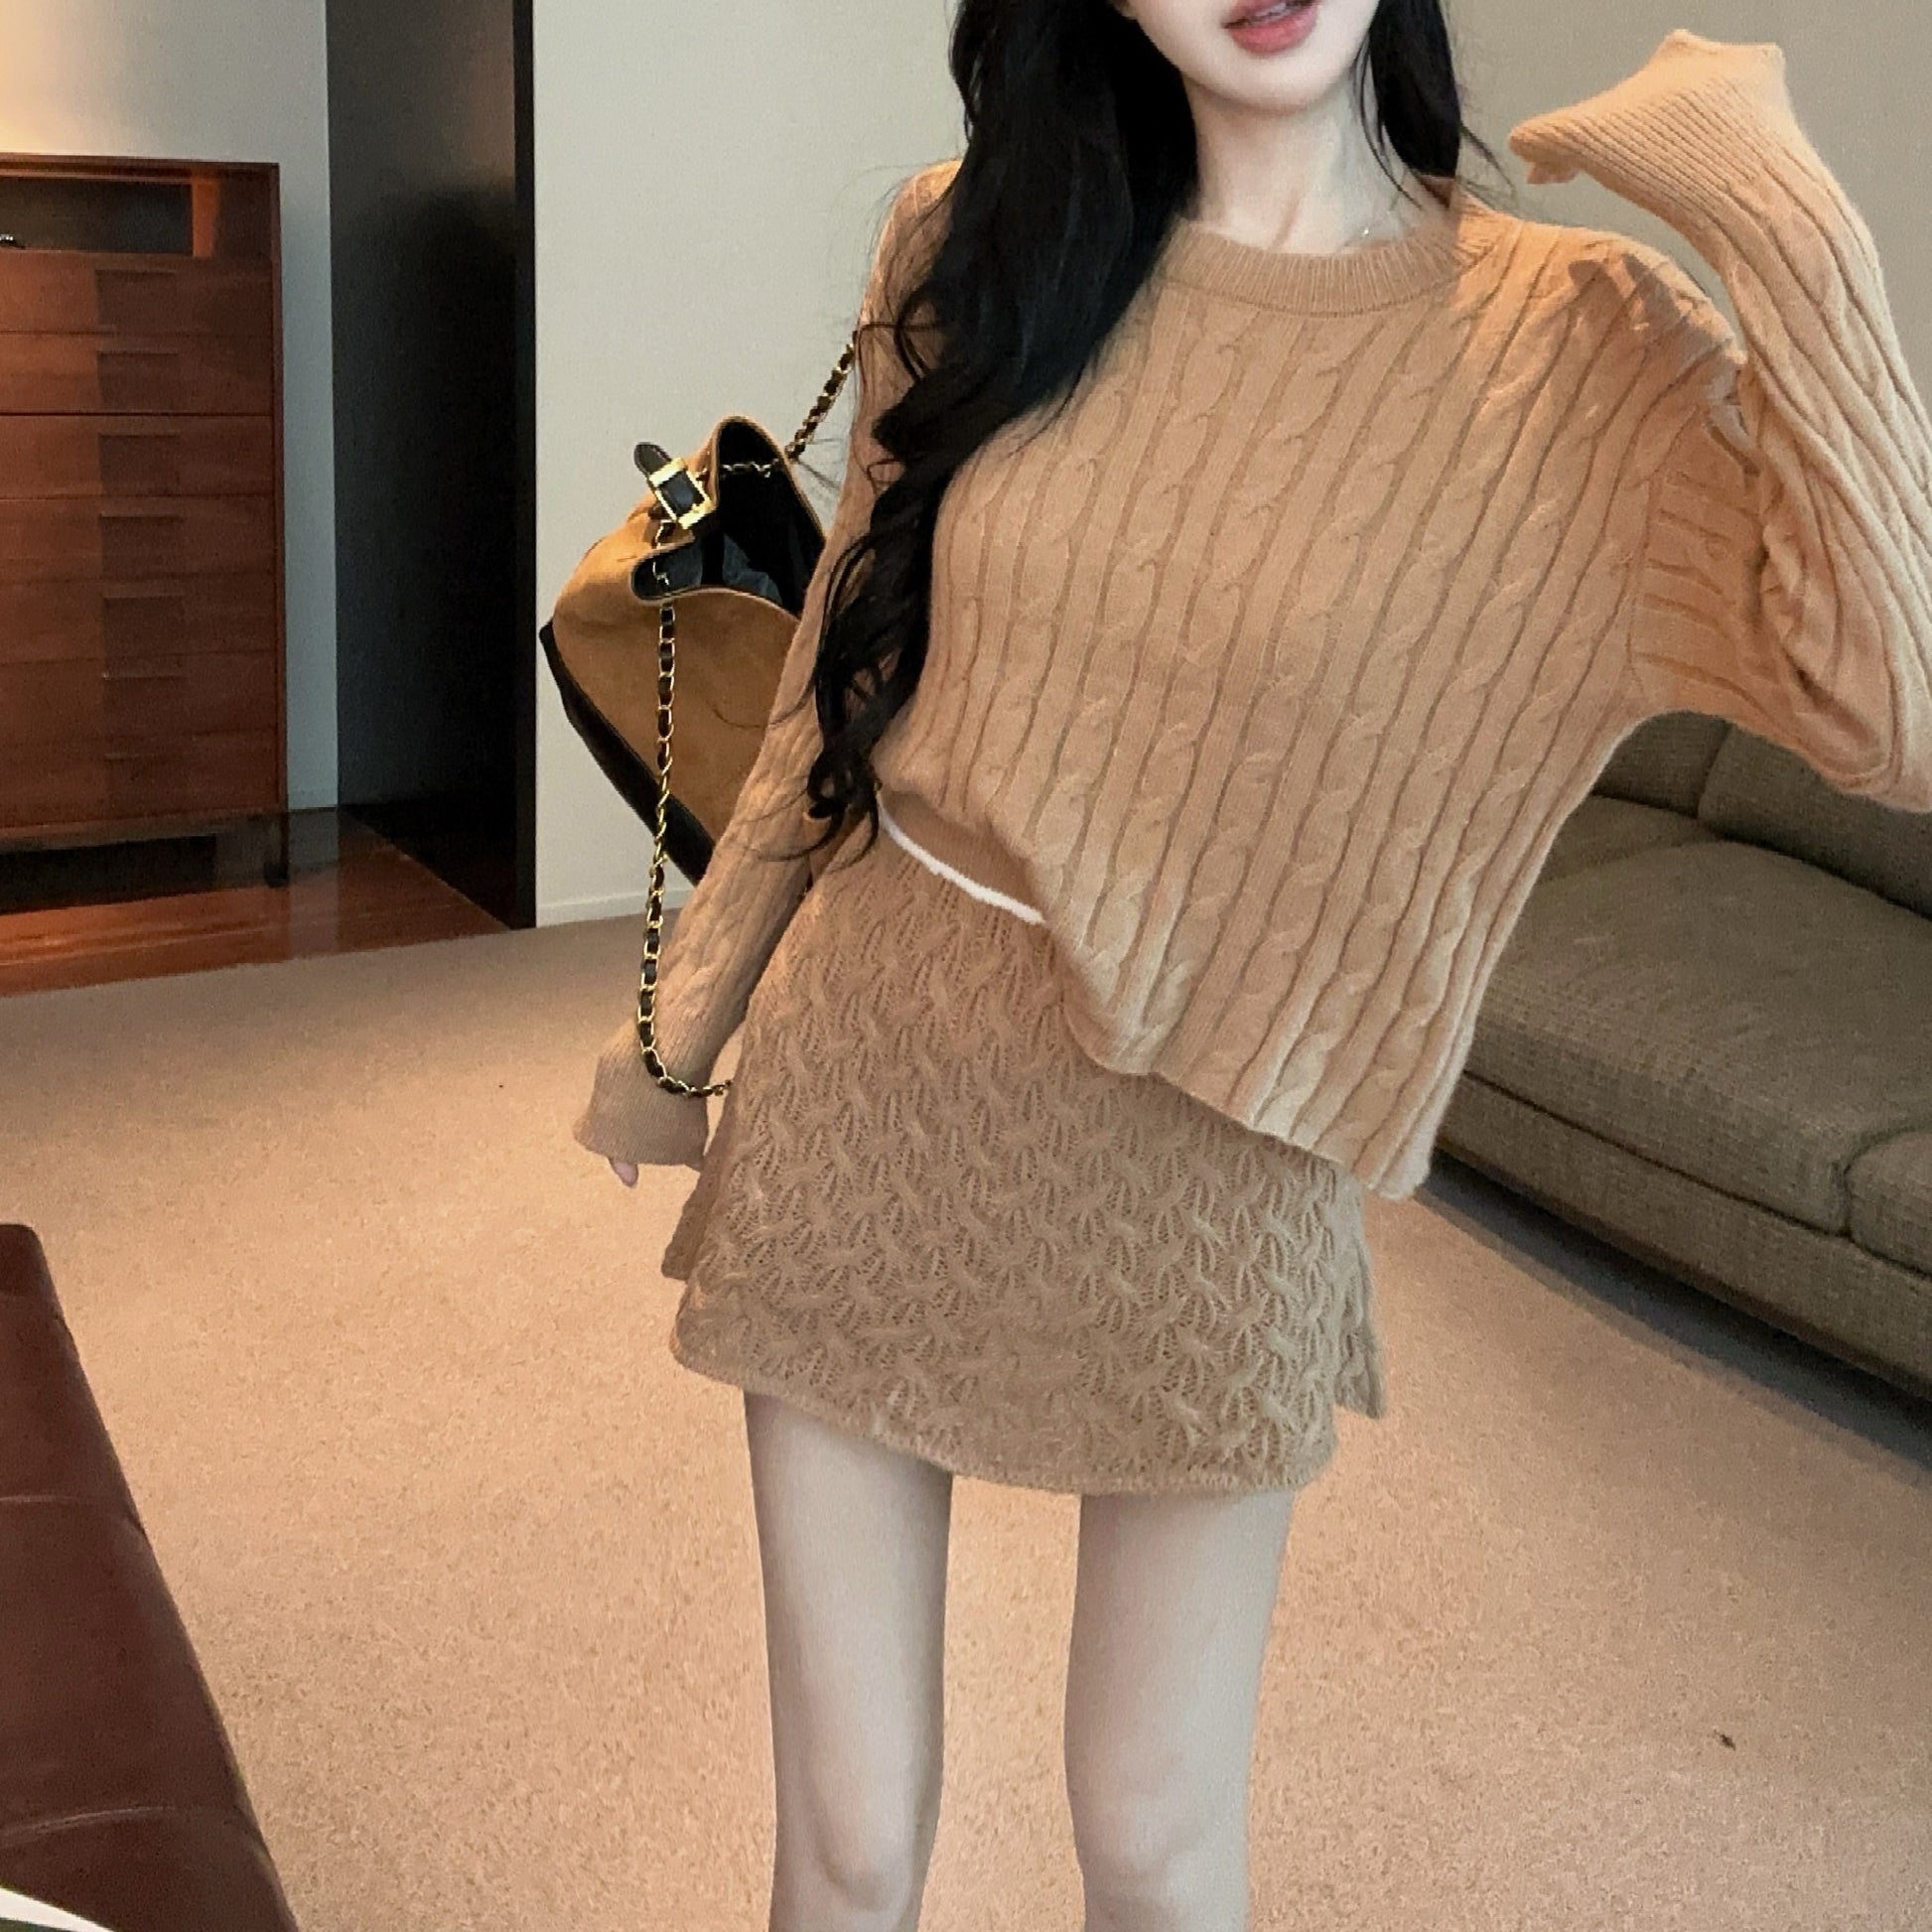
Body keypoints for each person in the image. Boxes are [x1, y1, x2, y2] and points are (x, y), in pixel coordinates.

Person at [573, 4, 1932, 1928]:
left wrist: (1763, 191)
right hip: (868, 1076)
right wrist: (686, 1021)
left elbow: (1888, 712)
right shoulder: (971, 238)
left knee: (1150, 1840)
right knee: (847, 1841)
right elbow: (834, 675)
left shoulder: (1572, 339)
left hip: (1225, 1154)